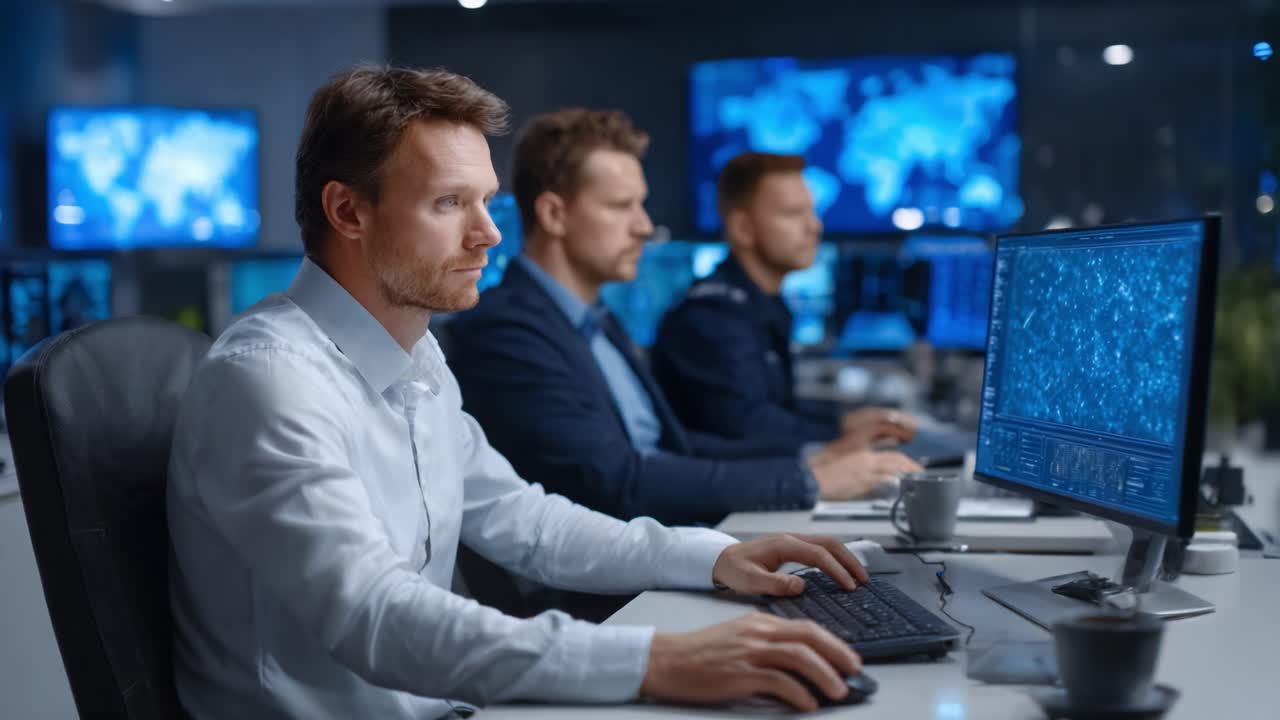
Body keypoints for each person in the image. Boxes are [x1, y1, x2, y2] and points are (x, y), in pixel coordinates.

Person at [167, 65, 874, 719]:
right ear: (349, 212)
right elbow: (373, 618)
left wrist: (708, 556)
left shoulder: (418, 358)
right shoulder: (269, 378)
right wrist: (656, 659)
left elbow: (524, 521)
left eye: (485, 203)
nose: (487, 235)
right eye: (450, 203)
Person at [447, 110, 921, 532]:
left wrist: (815, 457)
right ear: (554, 214)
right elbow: (619, 480)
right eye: (620, 206)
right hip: (601, 591)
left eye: (641, 204)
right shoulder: (506, 331)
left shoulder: (596, 322)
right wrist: (807, 480)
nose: (645, 226)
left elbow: (674, 449)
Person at [652, 151, 918, 455]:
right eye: (793, 213)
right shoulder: (710, 320)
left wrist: (844, 422)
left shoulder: (762, 306)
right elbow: (750, 428)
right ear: (743, 229)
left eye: (812, 212)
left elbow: (774, 409)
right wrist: (839, 432)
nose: (814, 227)